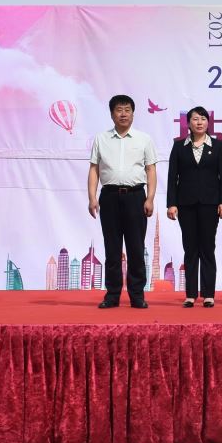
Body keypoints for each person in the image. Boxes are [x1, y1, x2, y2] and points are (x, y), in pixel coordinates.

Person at [88, 93, 157, 309]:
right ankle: (112, 295)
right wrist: (92, 197)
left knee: (136, 248)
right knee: (112, 248)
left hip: (136, 197)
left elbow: (151, 170)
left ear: (133, 114)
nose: (123, 114)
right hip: (109, 197)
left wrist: (150, 198)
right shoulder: (101, 139)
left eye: (127, 110)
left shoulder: (144, 139)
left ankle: (137, 295)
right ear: (112, 114)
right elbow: (94, 169)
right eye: (119, 110)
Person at [166, 106, 222, 308]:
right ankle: (191, 294)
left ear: (208, 122)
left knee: (207, 248)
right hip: (185, 204)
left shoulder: (217, 146)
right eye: (195, 119)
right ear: (188, 123)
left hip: (210, 204)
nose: (199, 122)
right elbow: (172, 177)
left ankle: (209, 294)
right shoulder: (179, 146)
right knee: (190, 249)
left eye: (203, 118)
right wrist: (171, 204)